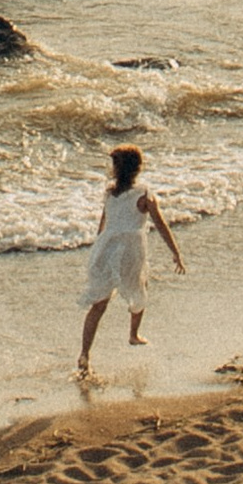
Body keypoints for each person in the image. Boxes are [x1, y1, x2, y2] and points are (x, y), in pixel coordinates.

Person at [78, 144, 183, 374]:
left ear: (116, 169)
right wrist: (175, 252)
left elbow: (102, 225)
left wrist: (98, 251)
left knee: (99, 304)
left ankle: (84, 354)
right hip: (130, 250)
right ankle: (133, 335)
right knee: (140, 289)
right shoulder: (143, 194)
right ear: (137, 169)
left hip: (105, 248)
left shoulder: (109, 193)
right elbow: (160, 224)